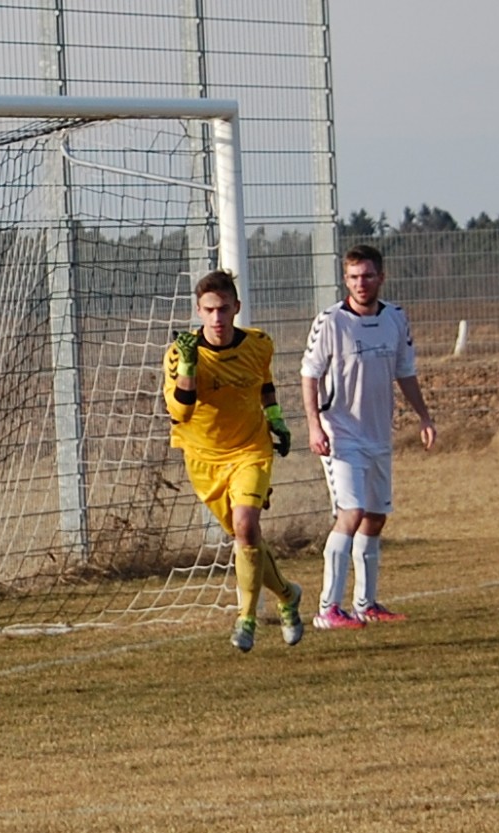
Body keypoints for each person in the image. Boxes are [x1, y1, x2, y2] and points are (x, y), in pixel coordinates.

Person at [163, 269, 304, 651]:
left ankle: (246, 619)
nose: (217, 318)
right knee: (247, 537)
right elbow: (180, 412)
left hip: (250, 450)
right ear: (198, 311)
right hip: (204, 459)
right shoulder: (180, 354)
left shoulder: (259, 343)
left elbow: (265, 383)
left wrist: (276, 418)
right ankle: (288, 595)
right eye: (209, 310)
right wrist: (189, 369)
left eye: (223, 309)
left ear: (236, 307)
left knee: (246, 525)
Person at [301, 244, 437, 628]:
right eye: (353, 277)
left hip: (378, 434)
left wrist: (424, 416)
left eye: (367, 276)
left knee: (375, 518)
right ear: (346, 280)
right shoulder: (330, 322)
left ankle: (366, 604)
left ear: (381, 277)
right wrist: (314, 425)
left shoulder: (395, 318)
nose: (361, 283)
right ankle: (328, 608)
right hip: (340, 434)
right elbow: (309, 375)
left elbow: (405, 371)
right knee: (352, 512)